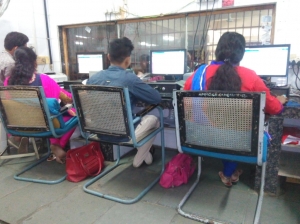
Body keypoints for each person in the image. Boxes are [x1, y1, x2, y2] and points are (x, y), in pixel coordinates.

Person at [184, 32, 287, 187]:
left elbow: (186, 101)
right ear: (241, 54)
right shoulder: (250, 76)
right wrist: (280, 100)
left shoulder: (198, 73)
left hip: (200, 138)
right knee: (233, 129)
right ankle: (229, 172)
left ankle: (229, 172)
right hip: (241, 142)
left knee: (222, 128)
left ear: (218, 50)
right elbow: (275, 109)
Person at [87, 37, 161, 168]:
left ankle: (146, 156)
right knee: (155, 119)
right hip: (125, 135)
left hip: (98, 133)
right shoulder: (130, 79)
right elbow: (156, 98)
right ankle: (139, 159)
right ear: (128, 60)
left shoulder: (92, 79)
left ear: (108, 57)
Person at [4, 46, 76, 164]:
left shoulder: (8, 81)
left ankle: (21, 137)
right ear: (34, 62)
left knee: (47, 113)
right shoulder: (43, 79)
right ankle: (56, 145)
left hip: (19, 124)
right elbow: (60, 103)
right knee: (73, 114)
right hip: (45, 125)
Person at [0, 32, 29, 153]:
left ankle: (16, 136)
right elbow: (10, 86)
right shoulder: (11, 63)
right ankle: (17, 136)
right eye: (25, 46)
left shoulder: (1, 55)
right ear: (17, 48)